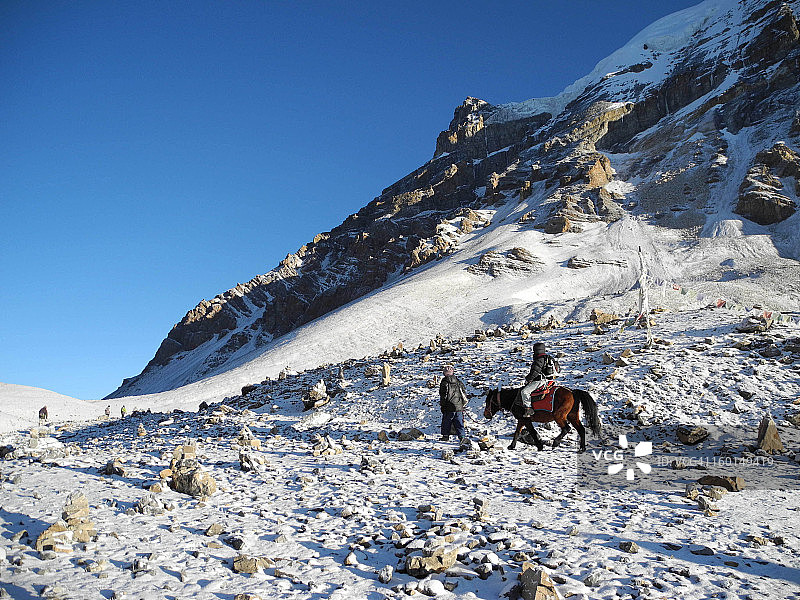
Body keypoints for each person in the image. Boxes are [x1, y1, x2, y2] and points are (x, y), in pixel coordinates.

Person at [519, 342, 560, 410]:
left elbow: (534, 372)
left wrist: (528, 379)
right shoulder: (550, 358)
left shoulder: (539, 360)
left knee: (524, 392)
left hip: (541, 381)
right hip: (550, 381)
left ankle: (528, 409)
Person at [439, 365, 467, 441]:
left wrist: (442, 405)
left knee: (446, 422)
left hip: (448, 406)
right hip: (459, 406)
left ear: (444, 373)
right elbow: (463, 393)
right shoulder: (458, 381)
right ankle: (462, 437)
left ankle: (445, 436)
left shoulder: (444, 382)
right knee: (459, 422)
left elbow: (443, 395)